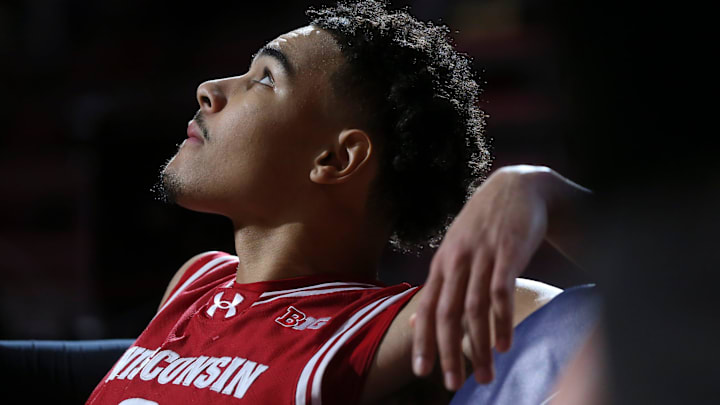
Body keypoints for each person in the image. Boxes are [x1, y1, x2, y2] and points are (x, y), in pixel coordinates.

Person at [86, 1, 592, 404]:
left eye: (264, 79)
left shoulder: (407, 322)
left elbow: (641, 296)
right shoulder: (197, 281)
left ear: (334, 158)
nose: (209, 90)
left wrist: (540, 190)